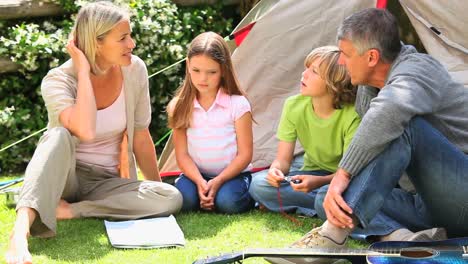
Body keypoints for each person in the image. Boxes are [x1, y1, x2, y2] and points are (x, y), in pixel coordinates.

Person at [270, 7, 468, 264]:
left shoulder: (418, 71)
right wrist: (339, 187)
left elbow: (386, 115)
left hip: (462, 195)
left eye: (345, 54)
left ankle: (331, 238)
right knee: (332, 201)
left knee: (403, 126)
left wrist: (343, 174)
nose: (340, 62)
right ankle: (406, 239)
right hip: (427, 204)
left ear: (372, 57)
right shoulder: (369, 86)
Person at [5, 2, 182, 264]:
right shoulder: (58, 80)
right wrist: (84, 74)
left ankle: (72, 211)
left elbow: (141, 134)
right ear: (96, 42)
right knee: (57, 136)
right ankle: (19, 235)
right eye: (123, 38)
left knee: (170, 197)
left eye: (129, 35)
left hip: (105, 183)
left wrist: (154, 186)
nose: (131, 44)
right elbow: (85, 130)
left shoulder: (134, 70)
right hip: (67, 176)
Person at [249, 46, 360, 217]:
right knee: (258, 185)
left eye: (314, 71)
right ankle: (318, 205)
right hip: (310, 172)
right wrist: (275, 170)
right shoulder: (293, 105)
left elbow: (350, 173)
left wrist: (320, 182)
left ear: (333, 83)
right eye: (306, 68)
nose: (304, 74)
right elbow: (283, 160)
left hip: (342, 179)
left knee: (331, 194)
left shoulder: (352, 115)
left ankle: (312, 204)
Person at [167, 32, 255, 214]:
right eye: (196, 70)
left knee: (227, 202)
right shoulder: (179, 106)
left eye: (211, 72)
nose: (203, 79)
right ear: (187, 66)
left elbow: (245, 155)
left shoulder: (238, 104)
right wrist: (200, 181)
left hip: (233, 176)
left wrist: (218, 181)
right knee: (183, 199)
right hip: (195, 175)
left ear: (223, 70)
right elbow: (182, 155)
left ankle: (247, 196)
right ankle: (205, 193)